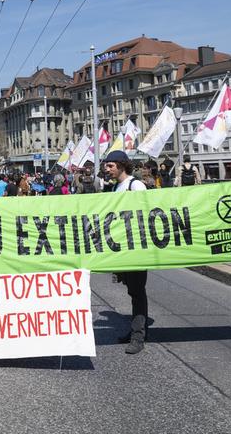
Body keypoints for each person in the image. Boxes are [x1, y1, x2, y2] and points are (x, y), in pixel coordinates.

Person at [103, 150, 148, 355]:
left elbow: (146, 210)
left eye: (110, 165)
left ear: (121, 165)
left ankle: (138, 336)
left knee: (138, 292)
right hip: (123, 250)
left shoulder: (135, 185)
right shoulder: (116, 187)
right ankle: (134, 330)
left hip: (136, 248)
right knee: (131, 291)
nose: (107, 169)